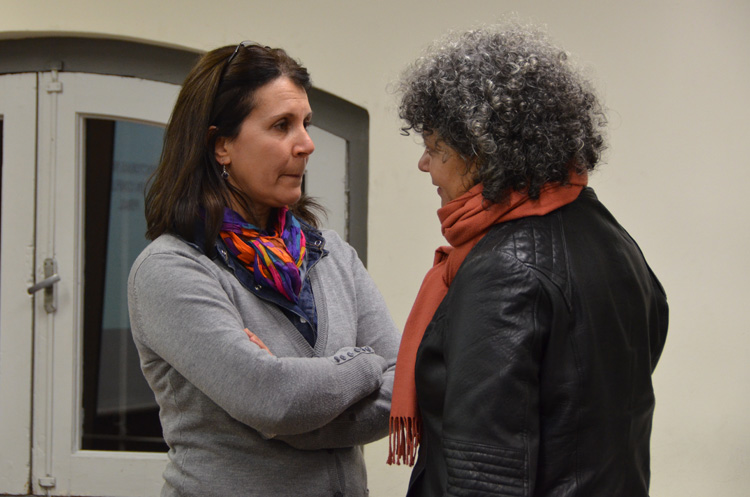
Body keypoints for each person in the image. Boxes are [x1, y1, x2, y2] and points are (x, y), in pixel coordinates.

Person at [387, 24, 669, 496]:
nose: (424, 164)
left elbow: (484, 478)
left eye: (435, 147)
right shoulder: (614, 239)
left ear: (483, 152)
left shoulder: (503, 269)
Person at [128, 41, 400, 497]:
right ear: (221, 146)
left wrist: (300, 418)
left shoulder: (332, 254)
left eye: (306, 123)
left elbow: (404, 386)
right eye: (281, 125)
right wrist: (366, 363)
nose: (307, 144)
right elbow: (274, 400)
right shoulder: (171, 269)